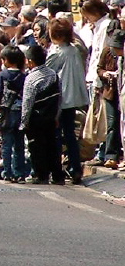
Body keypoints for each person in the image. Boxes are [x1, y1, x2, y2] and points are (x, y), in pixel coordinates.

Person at [46, 18, 89, 183]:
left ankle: (57, 170)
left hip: (59, 99)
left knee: (56, 135)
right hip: (74, 97)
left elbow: (47, 73)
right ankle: (75, 167)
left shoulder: (57, 53)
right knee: (70, 135)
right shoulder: (74, 50)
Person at [21, 45, 63, 185]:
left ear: (30, 61)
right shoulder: (53, 75)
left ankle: (41, 175)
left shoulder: (31, 78)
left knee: (37, 148)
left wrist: (24, 122)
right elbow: (59, 97)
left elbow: (27, 102)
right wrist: (57, 116)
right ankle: (58, 176)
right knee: (53, 147)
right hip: (51, 117)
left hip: (36, 119)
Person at [0, 45, 28, 183]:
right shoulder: (25, 76)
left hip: (6, 113)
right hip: (21, 114)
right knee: (19, 144)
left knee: (6, 144)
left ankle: (7, 172)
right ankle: (20, 173)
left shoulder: (2, 76)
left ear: (5, 60)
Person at [96, 30, 124, 170]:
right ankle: (111, 156)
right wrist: (105, 74)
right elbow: (99, 69)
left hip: (121, 91)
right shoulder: (107, 51)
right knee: (112, 124)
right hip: (110, 92)